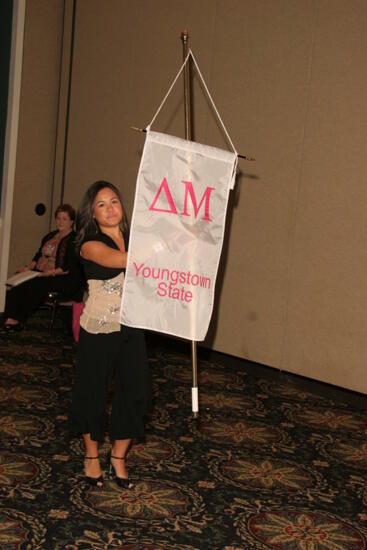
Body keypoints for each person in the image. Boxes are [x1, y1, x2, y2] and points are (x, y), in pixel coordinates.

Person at [69, 181, 151, 488]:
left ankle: (118, 456)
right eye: (101, 204)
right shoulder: (89, 244)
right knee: (93, 393)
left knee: (135, 391)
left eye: (114, 201)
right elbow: (122, 261)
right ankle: (91, 457)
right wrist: (161, 247)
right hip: (99, 328)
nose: (110, 208)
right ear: (92, 213)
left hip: (132, 327)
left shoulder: (134, 239)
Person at [0, 204, 84, 333]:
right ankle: (9, 317)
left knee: (35, 285)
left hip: (62, 277)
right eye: (58, 218)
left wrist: (49, 273)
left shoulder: (74, 239)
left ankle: (18, 319)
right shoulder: (50, 236)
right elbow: (38, 255)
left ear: (72, 221)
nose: (60, 222)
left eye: (64, 219)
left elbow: (68, 267)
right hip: (40, 273)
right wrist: (28, 268)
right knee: (16, 280)